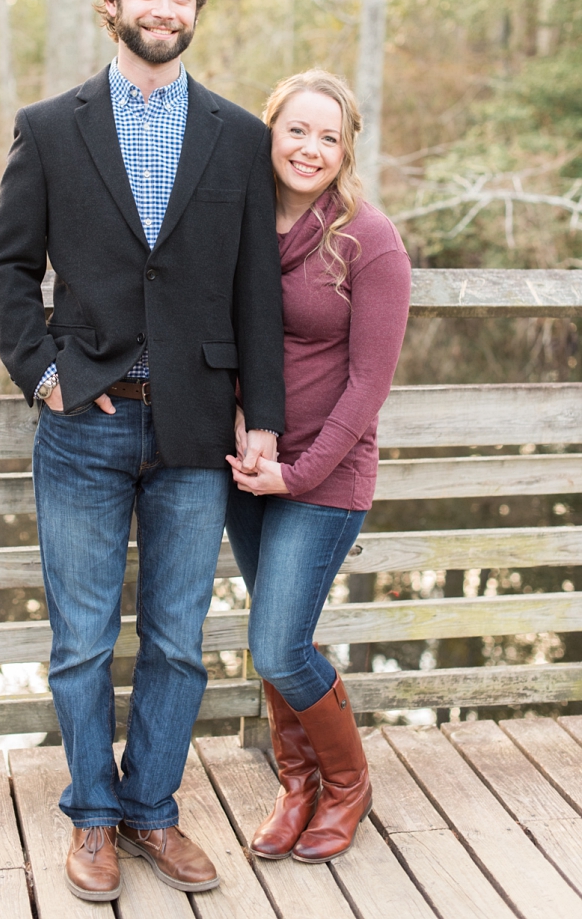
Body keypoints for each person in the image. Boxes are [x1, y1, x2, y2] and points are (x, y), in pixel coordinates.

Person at [0, 0, 285, 902]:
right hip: (84, 424)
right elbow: (7, 267)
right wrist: (44, 374)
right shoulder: (50, 127)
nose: (163, 10)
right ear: (112, 4)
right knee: (78, 641)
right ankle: (93, 818)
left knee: (177, 641)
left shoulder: (239, 137)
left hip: (196, 426)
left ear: (195, 12)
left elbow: (257, 294)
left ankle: (153, 808)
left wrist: (264, 418)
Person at [224, 70, 411, 863]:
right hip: (247, 464)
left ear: (346, 149)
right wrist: (241, 425)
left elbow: (369, 384)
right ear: (270, 133)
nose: (310, 148)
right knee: (278, 631)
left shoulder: (369, 239)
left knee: (277, 646)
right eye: (296, 130)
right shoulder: (239, 222)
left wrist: (297, 475)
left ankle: (346, 784)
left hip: (322, 479)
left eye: (328, 137)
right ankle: (295, 783)